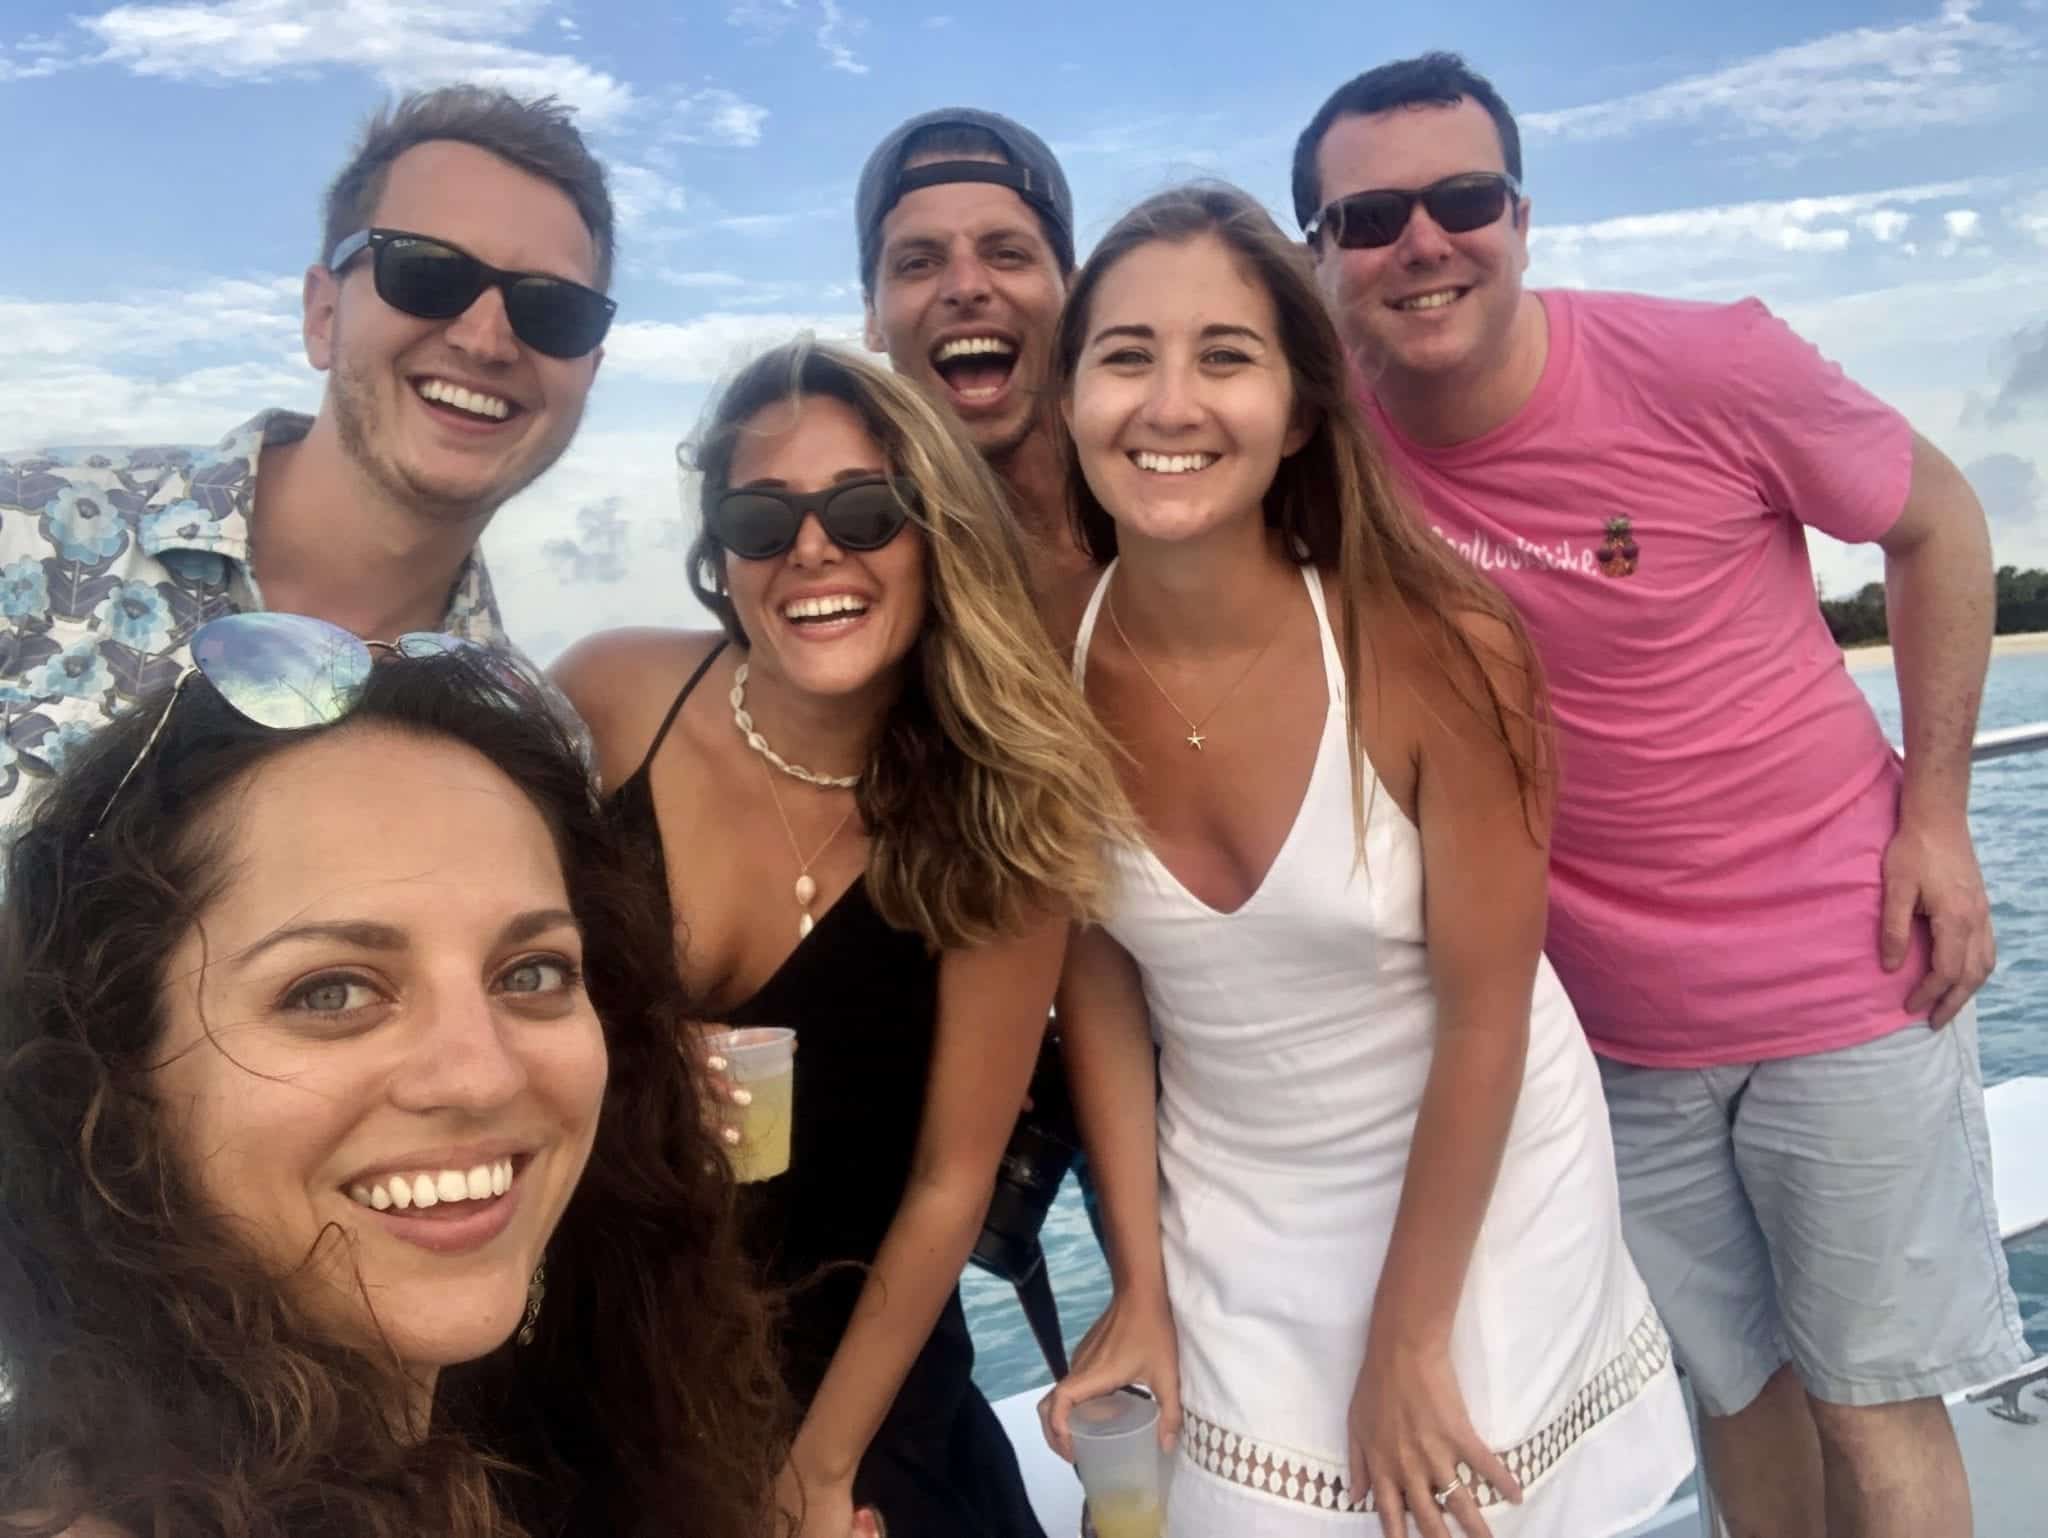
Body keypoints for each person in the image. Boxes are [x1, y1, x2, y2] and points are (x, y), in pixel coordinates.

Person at [1295, 52, 2024, 1538]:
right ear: (1318, 257)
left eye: (1463, 198)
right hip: (1599, 1029)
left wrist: (1937, 815)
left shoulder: (1710, 364)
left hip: (1843, 974)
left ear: (1522, 215)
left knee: (1876, 1412)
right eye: (1368, 218)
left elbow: (1939, 520)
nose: (1423, 241)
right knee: (1732, 1404)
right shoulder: (1325, 458)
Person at [1037, 182, 1692, 1538]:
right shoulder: (1049, 668)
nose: (1170, 404)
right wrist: (1141, 1288)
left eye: (1225, 356)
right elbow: (1098, 982)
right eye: (1124, 355)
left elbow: (1487, 1011)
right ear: (1070, 400)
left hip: (1477, 1175)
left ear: (1302, 408)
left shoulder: (1440, 643)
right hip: (1229, 1195)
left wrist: (1409, 1336)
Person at [0, 625, 783, 1537]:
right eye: (331, 991)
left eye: (530, 973)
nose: (482, 1075)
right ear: (111, 1069)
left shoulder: (540, 1443)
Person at [551, 339, 1131, 1538]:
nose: (813, 549)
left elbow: (946, 1184)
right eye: (762, 519)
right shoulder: (610, 703)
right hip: (599, 1362)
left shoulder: (996, 808)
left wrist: (816, 1474)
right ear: (721, 553)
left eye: (865, 510)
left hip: (855, 1389)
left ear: (936, 536)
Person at [0, 84, 616, 825]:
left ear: (590, 374)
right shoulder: (22, 532)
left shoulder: (541, 755)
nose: (485, 339)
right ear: (322, 314)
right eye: (427, 272)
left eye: (553, 308)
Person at [855, 108, 1093, 605]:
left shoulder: (1185, 518)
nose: (966, 287)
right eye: (918, 263)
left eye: (1007, 253)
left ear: (1073, 293)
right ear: (873, 318)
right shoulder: (866, 579)